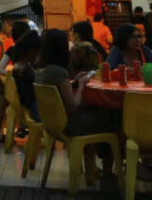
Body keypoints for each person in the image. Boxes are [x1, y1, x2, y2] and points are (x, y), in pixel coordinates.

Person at [35, 29, 117, 181]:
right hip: (70, 125)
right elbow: (73, 107)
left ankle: (94, 169)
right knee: (111, 117)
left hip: (52, 125)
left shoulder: (41, 70)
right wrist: (81, 85)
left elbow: (60, 93)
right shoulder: (60, 72)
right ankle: (107, 169)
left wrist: (73, 82)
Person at [11, 30, 42, 122]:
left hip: (27, 110)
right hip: (34, 111)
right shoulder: (25, 71)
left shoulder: (19, 65)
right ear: (31, 50)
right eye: (38, 52)